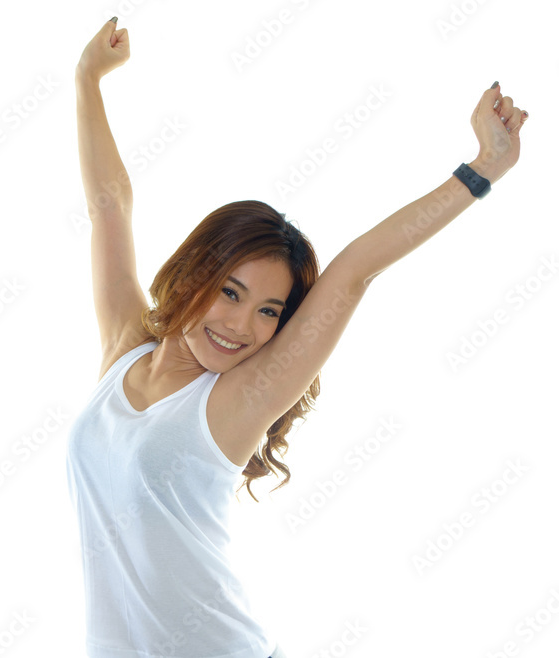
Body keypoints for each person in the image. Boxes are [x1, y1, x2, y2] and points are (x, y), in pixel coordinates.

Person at [65, 16, 528, 658]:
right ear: (195, 271)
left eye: (269, 311)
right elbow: (109, 203)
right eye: (231, 292)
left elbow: (355, 271)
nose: (241, 327)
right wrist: (87, 78)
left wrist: (481, 170)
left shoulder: (233, 403)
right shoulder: (124, 350)